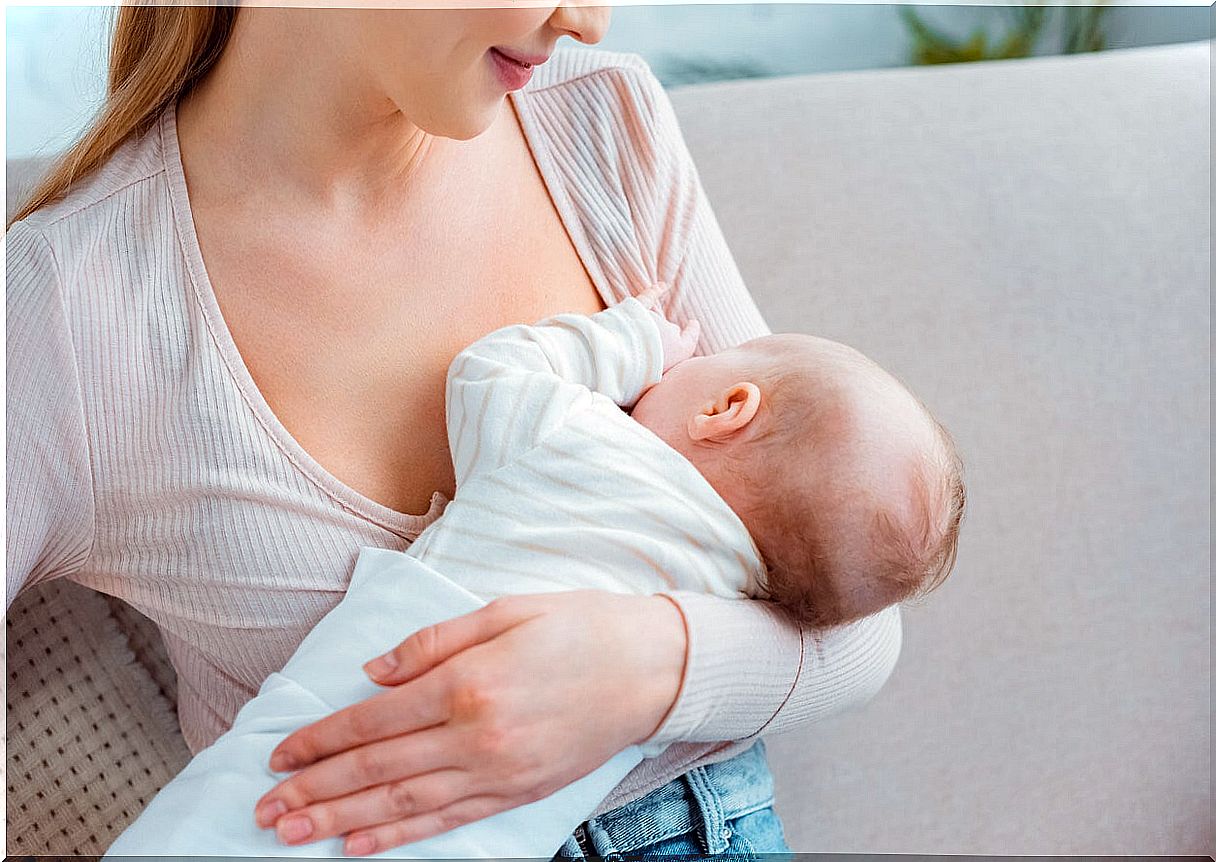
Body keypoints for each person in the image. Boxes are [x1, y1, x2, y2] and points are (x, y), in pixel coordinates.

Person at [6, 5, 905, 857]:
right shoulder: (69, 309)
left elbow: (857, 618)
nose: (588, 20)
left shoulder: (598, 122)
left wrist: (640, 668)